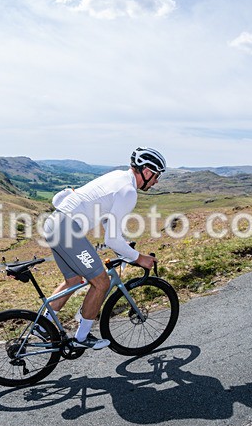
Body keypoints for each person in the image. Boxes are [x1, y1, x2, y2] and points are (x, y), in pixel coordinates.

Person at [42, 147, 163, 349]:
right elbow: (111, 239)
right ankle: (81, 337)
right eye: (156, 176)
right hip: (67, 231)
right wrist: (138, 257)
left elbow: (108, 221)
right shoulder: (128, 191)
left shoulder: (118, 176)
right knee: (101, 283)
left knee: (73, 281)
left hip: (54, 224)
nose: (156, 181)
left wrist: (124, 248)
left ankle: (43, 325)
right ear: (147, 171)